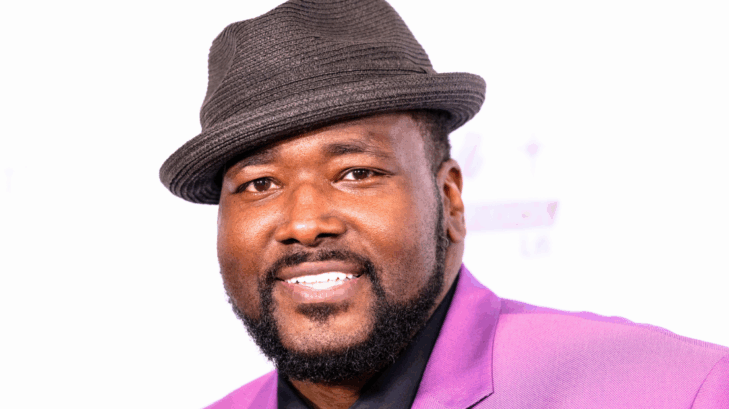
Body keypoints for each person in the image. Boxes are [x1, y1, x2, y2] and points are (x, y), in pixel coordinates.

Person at [159, 1, 729, 408]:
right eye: (259, 184)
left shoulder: (680, 390)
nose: (305, 223)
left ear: (451, 199)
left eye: (357, 173)